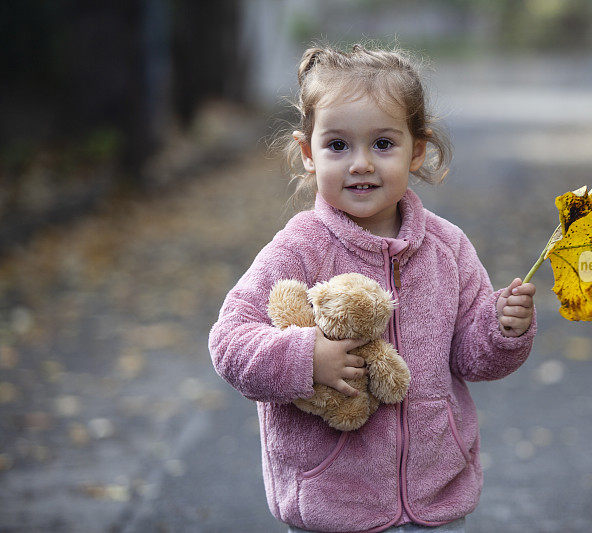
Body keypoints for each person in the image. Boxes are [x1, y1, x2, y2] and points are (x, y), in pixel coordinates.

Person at [208, 43, 537, 533]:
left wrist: (503, 330)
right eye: (338, 145)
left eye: (383, 144)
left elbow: (472, 357)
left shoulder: (448, 248)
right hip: (331, 503)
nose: (361, 163)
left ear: (417, 149)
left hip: (437, 498)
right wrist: (307, 357)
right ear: (308, 154)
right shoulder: (298, 249)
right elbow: (229, 343)